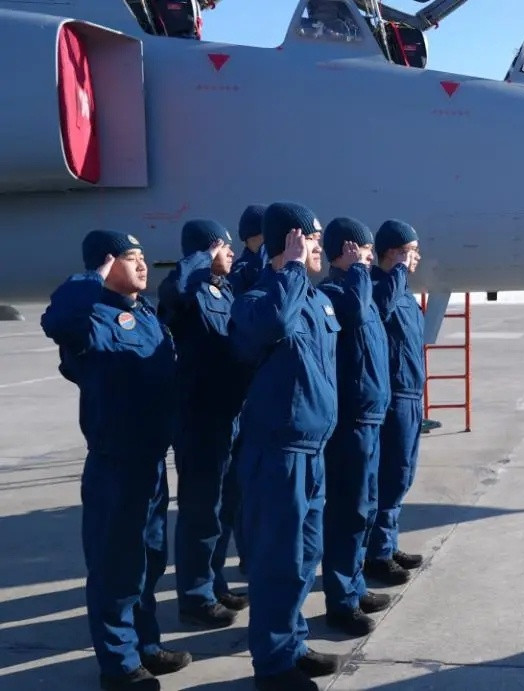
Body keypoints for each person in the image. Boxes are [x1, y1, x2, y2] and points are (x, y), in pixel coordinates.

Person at [41, 230, 191, 690]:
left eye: (144, 257)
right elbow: (57, 320)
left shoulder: (144, 315)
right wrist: (94, 276)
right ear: (107, 264)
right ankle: (120, 665)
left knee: (147, 563)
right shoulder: (91, 318)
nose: (144, 265)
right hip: (116, 465)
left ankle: (146, 646)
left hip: (150, 462)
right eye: (131, 258)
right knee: (115, 567)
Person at [230, 202, 340, 691]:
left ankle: (292, 642)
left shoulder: (314, 301)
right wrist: (291, 267)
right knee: (278, 561)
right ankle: (273, 667)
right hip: (278, 456)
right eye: (312, 239)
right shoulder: (259, 296)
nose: (320, 248)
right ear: (292, 240)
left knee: (305, 557)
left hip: (313, 451)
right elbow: (268, 327)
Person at [156, 220, 249, 630]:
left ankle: (214, 582)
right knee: (201, 510)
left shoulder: (224, 290)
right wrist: (201, 255)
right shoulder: (186, 291)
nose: (231, 255)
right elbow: (172, 293)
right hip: (199, 418)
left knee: (225, 508)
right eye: (225, 248)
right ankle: (195, 597)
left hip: (228, 414)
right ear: (210, 249)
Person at [317, 218, 395, 635]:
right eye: (361, 252)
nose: (368, 258)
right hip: (350, 422)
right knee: (347, 511)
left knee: (364, 507)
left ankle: (355, 584)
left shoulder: (358, 288)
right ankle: (341, 601)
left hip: (370, 418)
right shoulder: (335, 292)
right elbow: (355, 311)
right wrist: (356, 271)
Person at [365, 219, 426, 585]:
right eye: (409, 252)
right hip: (392, 397)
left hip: (411, 393)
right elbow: (379, 309)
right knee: (389, 474)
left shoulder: (401, 290)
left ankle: (388, 542)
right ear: (392, 252)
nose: (415, 260)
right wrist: (398, 272)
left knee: (403, 474)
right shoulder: (376, 286)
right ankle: (377, 553)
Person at [225, 203, 269, 577]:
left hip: (262, 390)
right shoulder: (244, 273)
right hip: (246, 392)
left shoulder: (267, 269)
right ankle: (249, 553)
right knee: (246, 484)